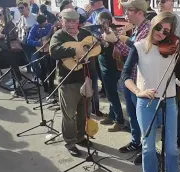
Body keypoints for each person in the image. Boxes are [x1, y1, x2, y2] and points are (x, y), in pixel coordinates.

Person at [121, 11, 180, 172]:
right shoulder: (139, 46)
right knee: (148, 146)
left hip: (168, 102)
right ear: (153, 25)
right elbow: (125, 75)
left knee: (171, 149)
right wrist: (139, 91)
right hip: (146, 102)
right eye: (159, 27)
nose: (161, 33)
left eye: (166, 31)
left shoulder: (174, 50)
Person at [102, 0, 151, 165]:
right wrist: (116, 40)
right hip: (131, 79)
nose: (125, 14)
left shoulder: (147, 30)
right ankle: (136, 142)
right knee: (132, 115)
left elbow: (134, 54)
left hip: (140, 82)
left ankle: (146, 151)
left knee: (142, 119)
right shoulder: (138, 29)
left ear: (138, 12)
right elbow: (130, 54)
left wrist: (115, 40)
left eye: (128, 10)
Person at [49, 8, 93, 157]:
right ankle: (70, 142)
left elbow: (95, 46)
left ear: (78, 22)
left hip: (85, 77)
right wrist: (75, 50)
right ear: (62, 21)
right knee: (69, 115)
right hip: (67, 80)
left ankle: (80, 137)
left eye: (73, 21)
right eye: (67, 20)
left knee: (83, 112)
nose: (70, 24)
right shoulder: (58, 35)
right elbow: (54, 51)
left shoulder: (85, 34)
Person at [96, 12, 125, 131]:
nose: (98, 23)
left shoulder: (111, 32)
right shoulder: (104, 31)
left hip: (111, 68)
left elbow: (109, 47)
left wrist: (101, 42)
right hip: (105, 67)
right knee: (109, 94)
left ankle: (119, 121)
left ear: (106, 21)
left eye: (99, 21)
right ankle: (112, 115)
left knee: (112, 95)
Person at [27, 15, 55, 93]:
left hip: (50, 50)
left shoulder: (50, 26)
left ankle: (51, 85)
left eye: (46, 21)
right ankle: (45, 86)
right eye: (44, 22)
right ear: (40, 23)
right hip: (41, 51)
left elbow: (54, 36)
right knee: (43, 68)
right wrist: (39, 43)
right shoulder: (35, 28)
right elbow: (29, 40)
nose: (46, 22)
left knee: (52, 68)